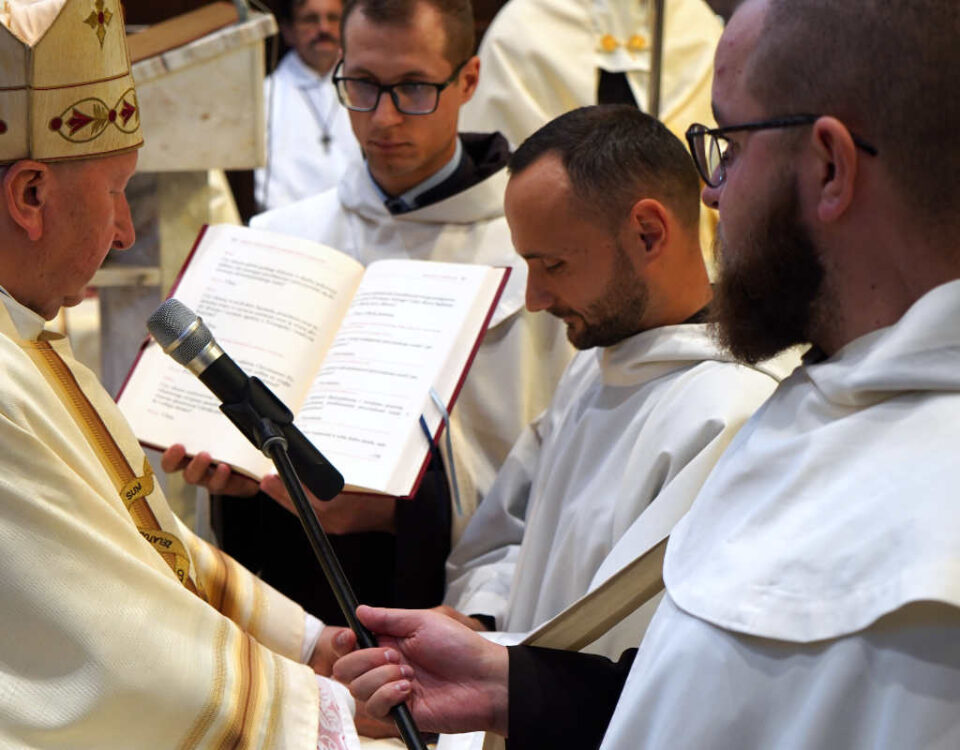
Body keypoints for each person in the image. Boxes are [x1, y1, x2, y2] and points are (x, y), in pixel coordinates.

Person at [332, 0, 960, 747]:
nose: (712, 192)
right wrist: (500, 670)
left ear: (829, 166)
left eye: (728, 145)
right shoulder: (798, 405)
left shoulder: (741, 413)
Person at [0, 1, 360, 746]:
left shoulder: (24, 337)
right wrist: (323, 712)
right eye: (115, 190)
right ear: (30, 195)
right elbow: (107, 636)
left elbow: (138, 539)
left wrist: (309, 645)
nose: (125, 230)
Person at [166, 0, 572, 635]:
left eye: (413, 88)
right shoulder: (282, 239)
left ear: (468, 80)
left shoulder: (532, 256)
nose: (382, 118)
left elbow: (555, 476)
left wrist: (398, 514)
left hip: (458, 606)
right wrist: (233, 480)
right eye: (361, 85)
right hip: (299, 605)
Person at [438, 105, 785, 665]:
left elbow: (648, 653)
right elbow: (513, 533)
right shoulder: (597, 363)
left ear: (648, 234)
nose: (535, 299)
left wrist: (502, 672)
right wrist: (483, 618)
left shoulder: (729, 414)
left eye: (553, 265)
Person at [255, 0, 362, 211]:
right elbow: (267, 190)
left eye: (333, 18)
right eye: (310, 20)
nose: (324, 29)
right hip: (290, 223)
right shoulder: (265, 96)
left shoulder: (365, 89)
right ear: (288, 31)